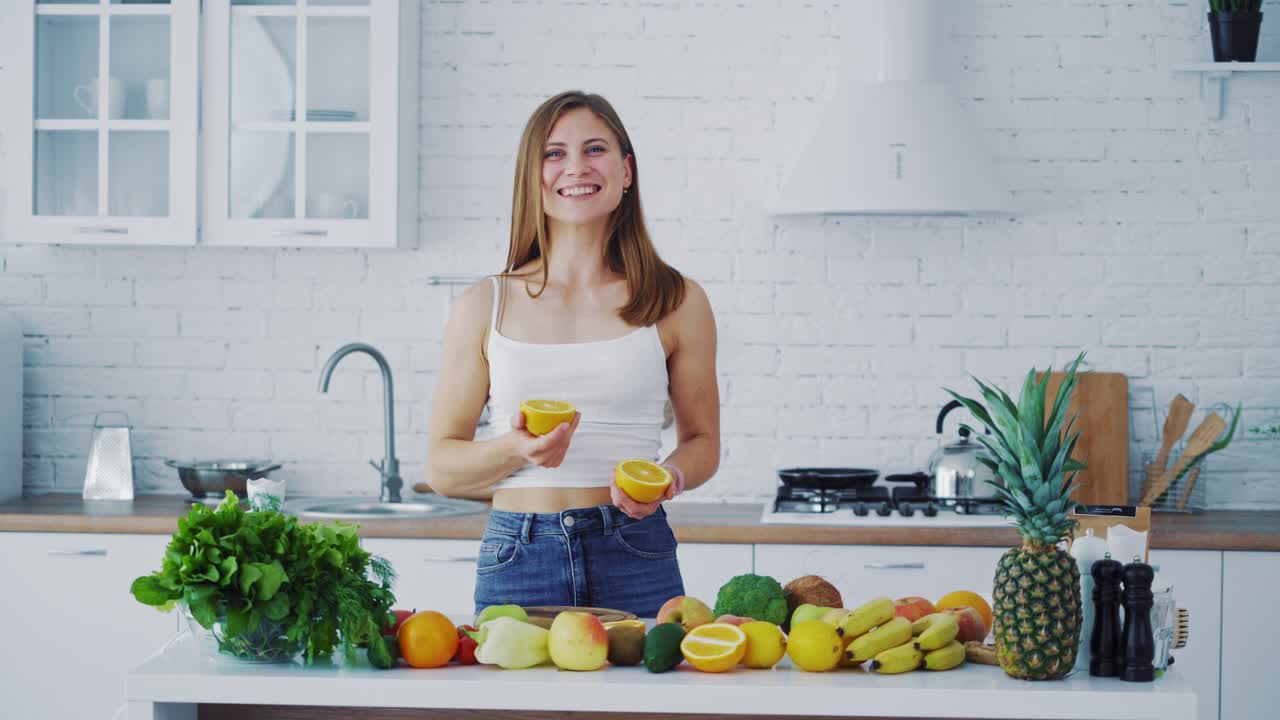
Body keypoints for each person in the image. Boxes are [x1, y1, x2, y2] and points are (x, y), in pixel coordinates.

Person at [425, 91, 720, 619]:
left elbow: (701, 441)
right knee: (521, 705)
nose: (577, 167)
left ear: (626, 171)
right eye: (555, 153)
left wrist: (669, 478)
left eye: (595, 149)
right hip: (519, 553)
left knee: (643, 704)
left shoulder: (677, 301)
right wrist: (519, 449)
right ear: (531, 177)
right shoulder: (483, 305)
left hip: (635, 549)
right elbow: (444, 467)